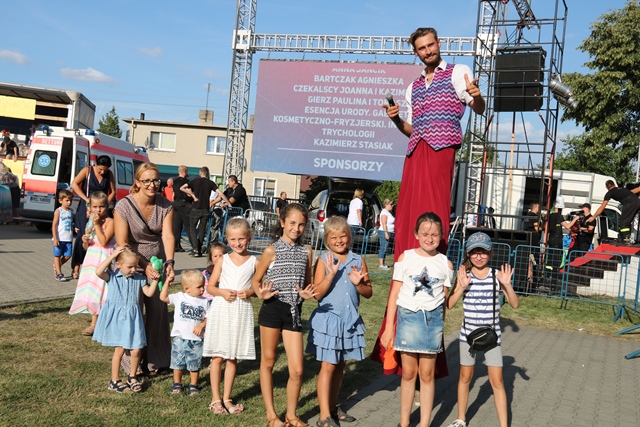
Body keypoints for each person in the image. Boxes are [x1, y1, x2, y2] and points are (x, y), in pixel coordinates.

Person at [375, 26, 485, 377]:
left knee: (434, 226)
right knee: (409, 230)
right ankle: (396, 333)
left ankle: (429, 325)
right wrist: (396, 120)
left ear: (439, 45)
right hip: (414, 154)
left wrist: (477, 97)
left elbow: (478, 107)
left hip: (440, 153)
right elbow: (413, 128)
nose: (427, 51)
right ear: (416, 52)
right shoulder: (412, 87)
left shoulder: (458, 72)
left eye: (431, 45)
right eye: (421, 48)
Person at [380, 212, 453, 427]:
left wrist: (440, 326)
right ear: (416, 234)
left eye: (435, 234)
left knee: (427, 374)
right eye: (425, 234)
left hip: (432, 322)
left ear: (441, 236)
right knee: (409, 373)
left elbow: (444, 299)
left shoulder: (445, 264)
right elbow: (394, 293)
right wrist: (388, 329)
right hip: (408, 318)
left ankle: (424, 423)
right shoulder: (406, 258)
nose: (430, 239)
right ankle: (404, 422)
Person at [250, 203, 317, 427]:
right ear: (282, 223)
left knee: (297, 370)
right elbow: (256, 280)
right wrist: (260, 293)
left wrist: (306, 293)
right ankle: (272, 416)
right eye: (292, 223)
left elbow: (307, 283)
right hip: (272, 309)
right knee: (268, 362)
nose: (296, 228)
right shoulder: (271, 250)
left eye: (301, 225)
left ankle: (291, 416)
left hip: (294, 313)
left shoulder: (307, 252)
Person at [446, 232, 519, 427]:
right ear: (468, 254)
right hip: (467, 337)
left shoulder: (497, 276)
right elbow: (450, 304)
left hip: (491, 337)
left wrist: (507, 285)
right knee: (465, 377)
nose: (479, 256)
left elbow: (514, 304)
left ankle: (503, 424)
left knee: (497, 381)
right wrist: (461, 287)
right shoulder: (464, 275)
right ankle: (461, 419)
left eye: (483, 252)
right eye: (474, 252)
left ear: (490, 253)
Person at [307, 216, 372, 427]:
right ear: (327, 239)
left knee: (340, 365)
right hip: (330, 321)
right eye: (333, 237)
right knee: (328, 365)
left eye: (342, 236)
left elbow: (368, 292)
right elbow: (317, 294)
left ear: (349, 237)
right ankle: (323, 415)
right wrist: (331, 275)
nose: (339, 241)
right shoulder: (323, 260)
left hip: (349, 321)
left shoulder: (358, 260)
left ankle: (333, 408)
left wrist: (358, 284)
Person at [114, 162, 175, 376]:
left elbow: (168, 236)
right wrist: (143, 265)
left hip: (157, 263)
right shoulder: (123, 207)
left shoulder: (166, 205)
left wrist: (169, 263)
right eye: (146, 180)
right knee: (132, 313)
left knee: (158, 311)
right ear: (137, 182)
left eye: (155, 180)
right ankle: (132, 364)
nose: (152, 185)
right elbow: (122, 243)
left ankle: (157, 360)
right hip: (131, 264)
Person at [203, 218, 257, 415]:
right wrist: (222, 292)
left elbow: (259, 287)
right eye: (233, 239)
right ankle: (215, 399)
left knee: (232, 357)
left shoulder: (254, 262)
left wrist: (250, 292)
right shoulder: (223, 260)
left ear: (249, 238)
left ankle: (227, 398)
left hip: (240, 311)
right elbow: (210, 286)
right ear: (227, 239)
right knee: (218, 356)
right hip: (222, 310)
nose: (237, 243)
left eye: (241, 238)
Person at [93, 245, 159, 393]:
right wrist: (113, 255)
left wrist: (155, 281)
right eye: (130, 267)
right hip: (118, 319)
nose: (133, 269)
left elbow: (148, 293)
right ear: (118, 265)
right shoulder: (112, 277)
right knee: (120, 350)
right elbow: (98, 271)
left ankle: (132, 376)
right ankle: (114, 380)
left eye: (135, 266)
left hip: (133, 319)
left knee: (136, 350)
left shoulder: (139, 279)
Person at [69, 191, 116, 336]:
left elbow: (104, 241)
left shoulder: (110, 222)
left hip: (104, 259)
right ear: (90, 207)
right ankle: (94, 321)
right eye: (95, 207)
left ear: (107, 206)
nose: (98, 210)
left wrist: (97, 224)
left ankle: (101, 322)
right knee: (93, 291)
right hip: (91, 259)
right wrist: (85, 241)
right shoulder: (90, 222)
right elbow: (87, 246)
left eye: (101, 207)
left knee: (103, 290)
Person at [159, 269, 209, 396]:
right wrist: (166, 283)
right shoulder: (180, 297)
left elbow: (209, 316)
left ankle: (193, 385)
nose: (202, 289)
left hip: (196, 339)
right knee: (177, 363)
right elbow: (163, 297)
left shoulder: (204, 301)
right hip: (179, 338)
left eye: (203, 286)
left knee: (194, 364)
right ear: (187, 289)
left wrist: (202, 325)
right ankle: (177, 384)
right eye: (199, 287)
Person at [71, 155, 116, 280]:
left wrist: (105, 204)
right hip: (86, 207)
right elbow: (74, 184)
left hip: (101, 207)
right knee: (82, 235)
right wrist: (87, 200)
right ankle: (76, 266)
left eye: (105, 170)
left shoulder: (109, 174)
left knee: (99, 233)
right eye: (100, 169)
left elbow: (113, 191)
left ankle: (95, 263)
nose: (102, 172)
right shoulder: (87, 170)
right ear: (95, 164)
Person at [180, 166, 230, 257]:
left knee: (192, 228)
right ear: (207, 174)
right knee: (202, 230)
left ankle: (195, 248)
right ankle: (199, 250)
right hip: (205, 209)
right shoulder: (210, 183)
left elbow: (182, 188)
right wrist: (228, 203)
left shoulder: (195, 181)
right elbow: (221, 193)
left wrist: (192, 195)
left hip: (196, 208)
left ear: (200, 173)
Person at [588, 179, 640, 244]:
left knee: (624, 221)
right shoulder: (622, 189)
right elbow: (636, 190)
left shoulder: (610, 193)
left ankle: (625, 239)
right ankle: (622, 237)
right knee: (627, 220)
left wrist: (593, 217)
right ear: (614, 185)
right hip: (637, 202)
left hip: (629, 203)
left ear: (607, 187)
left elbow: (602, 207)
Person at [51, 189, 74, 281]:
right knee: (57, 255)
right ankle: (59, 274)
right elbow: (54, 225)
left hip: (68, 238)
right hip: (59, 238)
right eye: (67, 200)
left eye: (70, 200)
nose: (69, 202)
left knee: (68, 255)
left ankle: (56, 266)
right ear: (60, 200)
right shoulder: (58, 211)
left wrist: (75, 228)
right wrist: (55, 238)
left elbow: (70, 223)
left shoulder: (71, 211)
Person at [172, 165, 193, 253]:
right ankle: (195, 245)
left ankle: (175, 245)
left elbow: (174, 193)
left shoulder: (174, 181)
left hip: (176, 203)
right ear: (184, 171)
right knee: (189, 225)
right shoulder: (186, 182)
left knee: (176, 225)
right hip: (184, 203)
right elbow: (189, 193)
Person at [378, 199, 395, 270]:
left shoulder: (388, 213)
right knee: (383, 248)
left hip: (389, 232)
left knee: (385, 248)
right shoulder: (384, 212)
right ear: (386, 205)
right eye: (391, 204)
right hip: (384, 232)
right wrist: (386, 233)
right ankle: (381, 265)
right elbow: (384, 223)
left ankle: (383, 263)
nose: (392, 206)